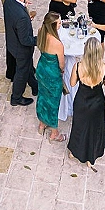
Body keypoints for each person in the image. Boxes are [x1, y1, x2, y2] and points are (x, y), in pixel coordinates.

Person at [67, 37, 105, 170]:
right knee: (94, 130)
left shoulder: (79, 66)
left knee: (79, 127)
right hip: (97, 103)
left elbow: (72, 83)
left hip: (81, 101)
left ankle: (74, 152)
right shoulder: (104, 67)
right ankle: (90, 158)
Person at [3, 0, 38, 107]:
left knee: (27, 67)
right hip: (21, 49)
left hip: (11, 43)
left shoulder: (8, 0)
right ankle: (16, 97)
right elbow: (25, 40)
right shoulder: (22, 17)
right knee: (21, 73)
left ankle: (35, 86)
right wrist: (39, 40)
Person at [35, 12, 66, 142]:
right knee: (53, 102)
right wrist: (62, 71)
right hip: (52, 74)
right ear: (53, 26)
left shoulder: (41, 31)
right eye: (59, 23)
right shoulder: (57, 43)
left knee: (42, 97)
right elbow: (62, 64)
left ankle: (42, 124)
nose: (61, 24)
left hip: (42, 68)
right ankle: (54, 133)